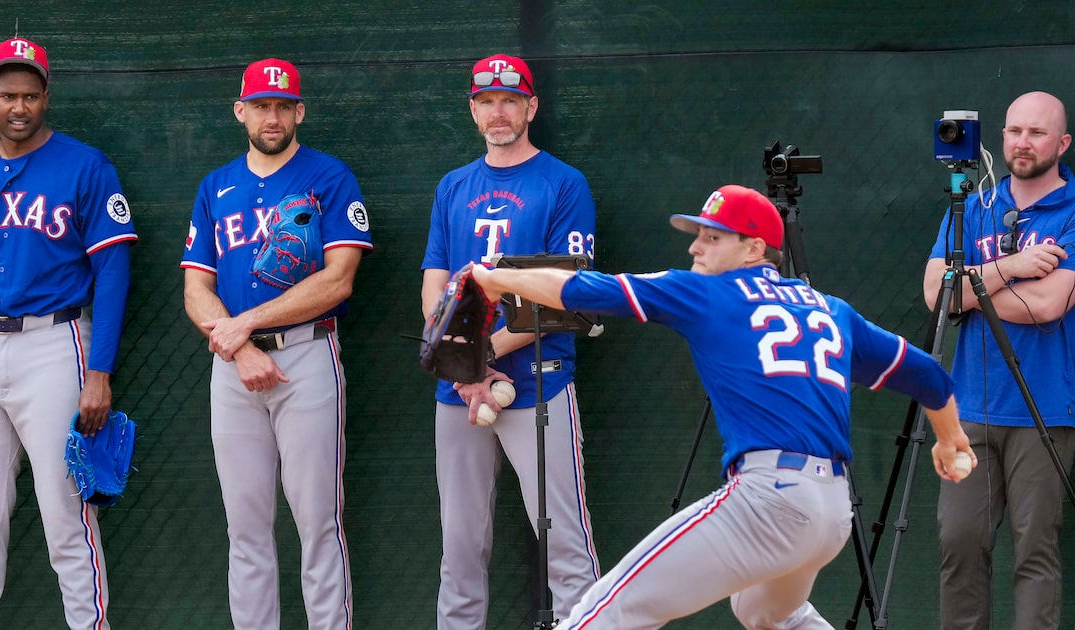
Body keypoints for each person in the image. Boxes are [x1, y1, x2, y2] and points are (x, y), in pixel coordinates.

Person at [469, 184, 975, 629]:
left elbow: (579, 288)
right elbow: (929, 375)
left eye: (713, 236)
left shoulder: (709, 293)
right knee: (764, 613)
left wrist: (496, 278)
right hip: (831, 512)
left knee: (605, 611)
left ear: (754, 247)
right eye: (698, 233)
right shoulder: (829, 308)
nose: (695, 245)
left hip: (769, 498)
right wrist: (951, 441)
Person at [0, 37, 138, 628]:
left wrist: (100, 373)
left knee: (68, 522)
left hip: (55, 344)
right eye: (7, 95)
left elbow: (113, 273)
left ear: (46, 97)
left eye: (31, 95)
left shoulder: (85, 166)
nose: (19, 106)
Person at [181, 57, 371, 630]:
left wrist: (246, 324)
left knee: (318, 524)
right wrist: (240, 346)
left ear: (299, 112)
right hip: (233, 369)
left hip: (307, 356)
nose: (272, 115)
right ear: (241, 111)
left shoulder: (330, 178)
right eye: (261, 105)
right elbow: (196, 289)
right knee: (245, 527)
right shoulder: (216, 187)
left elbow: (338, 279)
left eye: (283, 106)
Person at [421, 53, 601, 627]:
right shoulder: (452, 186)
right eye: (487, 101)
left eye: (510, 100)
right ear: (473, 110)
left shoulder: (564, 184)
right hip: (460, 391)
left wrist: (481, 357)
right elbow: (434, 285)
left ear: (532, 107)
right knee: (460, 550)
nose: (499, 112)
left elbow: (560, 293)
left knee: (567, 548)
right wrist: (462, 369)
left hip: (537, 386)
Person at [924, 90, 1075, 629]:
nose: (1022, 142)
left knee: (1035, 550)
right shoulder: (973, 205)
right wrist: (1015, 265)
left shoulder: (1073, 210)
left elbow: (1050, 305)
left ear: (1062, 143)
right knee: (959, 543)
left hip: (1044, 409)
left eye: (1036, 133)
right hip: (967, 412)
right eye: (1014, 131)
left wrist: (973, 284)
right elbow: (936, 294)